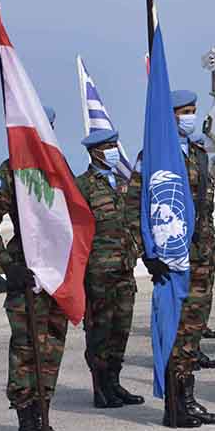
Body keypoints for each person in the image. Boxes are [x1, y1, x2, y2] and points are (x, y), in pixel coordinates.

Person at [133, 90, 215, 428]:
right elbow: (136, 207)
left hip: (202, 257)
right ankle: (175, 406)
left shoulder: (199, 152)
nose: (190, 116)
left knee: (193, 331)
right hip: (172, 259)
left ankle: (187, 399)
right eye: (183, 111)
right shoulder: (154, 156)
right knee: (174, 329)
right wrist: (148, 254)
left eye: (192, 110)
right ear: (167, 117)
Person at [0, 107, 69, 431]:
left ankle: (43, 418)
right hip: (27, 276)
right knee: (27, 348)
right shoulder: (9, 172)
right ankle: (26, 421)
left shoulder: (59, 168)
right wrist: (9, 266)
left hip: (57, 274)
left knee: (52, 347)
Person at [74, 129, 144, 409]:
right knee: (99, 331)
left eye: (116, 144)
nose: (115, 150)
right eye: (109, 146)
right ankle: (100, 387)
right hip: (98, 274)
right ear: (94, 152)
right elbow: (76, 231)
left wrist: (136, 246)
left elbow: (133, 220)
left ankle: (114, 382)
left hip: (125, 269)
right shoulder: (82, 186)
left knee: (121, 329)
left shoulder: (122, 183)